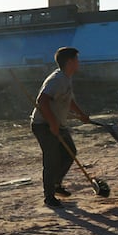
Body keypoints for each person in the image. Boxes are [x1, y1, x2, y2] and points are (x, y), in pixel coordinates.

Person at [31, 47, 90, 208]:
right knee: (52, 160)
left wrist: (81, 115)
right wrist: (52, 123)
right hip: (43, 125)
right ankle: (49, 197)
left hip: (58, 123)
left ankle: (56, 184)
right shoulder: (56, 80)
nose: (79, 63)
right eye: (77, 60)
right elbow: (42, 101)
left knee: (70, 152)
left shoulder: (66, 78)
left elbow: (68, 100)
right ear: (70, 62)